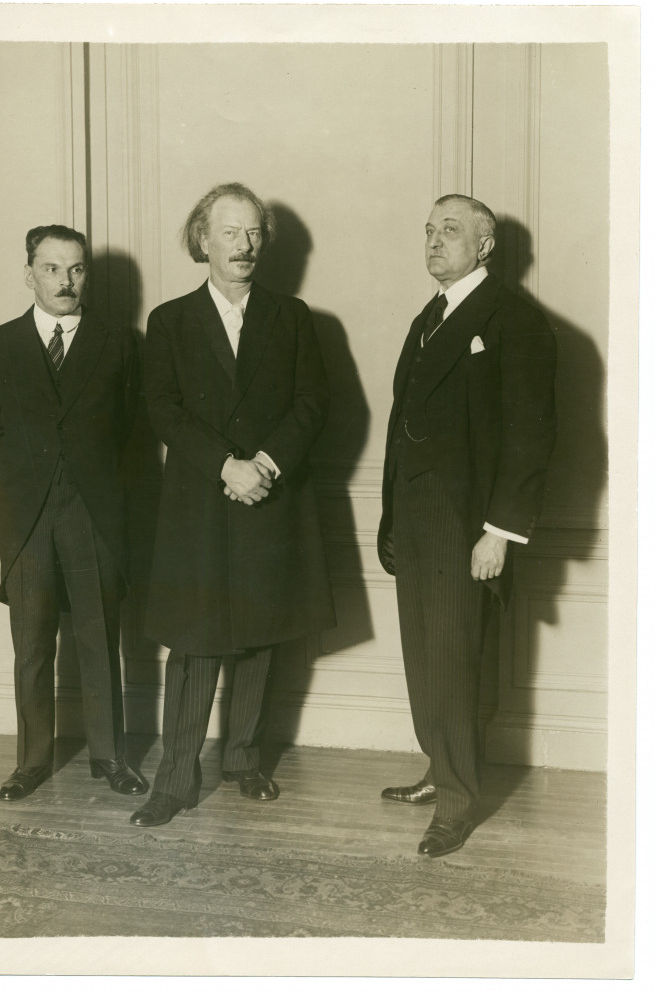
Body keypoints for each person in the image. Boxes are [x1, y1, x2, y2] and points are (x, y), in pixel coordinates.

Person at [130, 183, 336, 828]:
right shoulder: (168, 321)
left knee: (260, 634)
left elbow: (312, 403)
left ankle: (243, 760)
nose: (244, 246)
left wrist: (264, 466)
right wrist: (226, 465)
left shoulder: (294, 316)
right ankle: (175, 780)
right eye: (230, 233)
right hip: (200, 502)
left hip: (270, 499)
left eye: (253, 234)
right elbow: (162, 408)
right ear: (203, 240)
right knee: (194, 643)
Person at [377, 195, 557, 857]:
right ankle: (438, 770)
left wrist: (499, 532)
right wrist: (391, 518)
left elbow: (531, 434)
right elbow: (403, 424)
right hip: (417, 518)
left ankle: (456, 801)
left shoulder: (515, 319)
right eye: (427, 230)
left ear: (484, 246)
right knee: (424, 654)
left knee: (454, 659)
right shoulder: (429, 316)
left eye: (448, 231)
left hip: (468, 526)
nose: (432, 241)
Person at [0, 225, 147, 802]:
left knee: (99, 637)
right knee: (31, 646)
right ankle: (30, 763)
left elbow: (125, 428)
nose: (65, 281)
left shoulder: (118, 342)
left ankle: (109, 755)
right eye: (52, 269)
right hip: (28, 514)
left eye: (75, 270)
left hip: (94, 510)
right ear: (30, 274)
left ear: (85, 276)